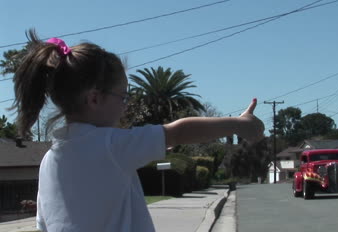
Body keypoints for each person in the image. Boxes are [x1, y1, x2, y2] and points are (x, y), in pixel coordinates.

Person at [12, 30, 265, 232]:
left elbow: (44, 224)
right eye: (122, 96)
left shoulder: (49, 161)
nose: (126, 105)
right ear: (94, 99)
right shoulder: (110, 146)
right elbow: (178, 132)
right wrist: (239, 123)